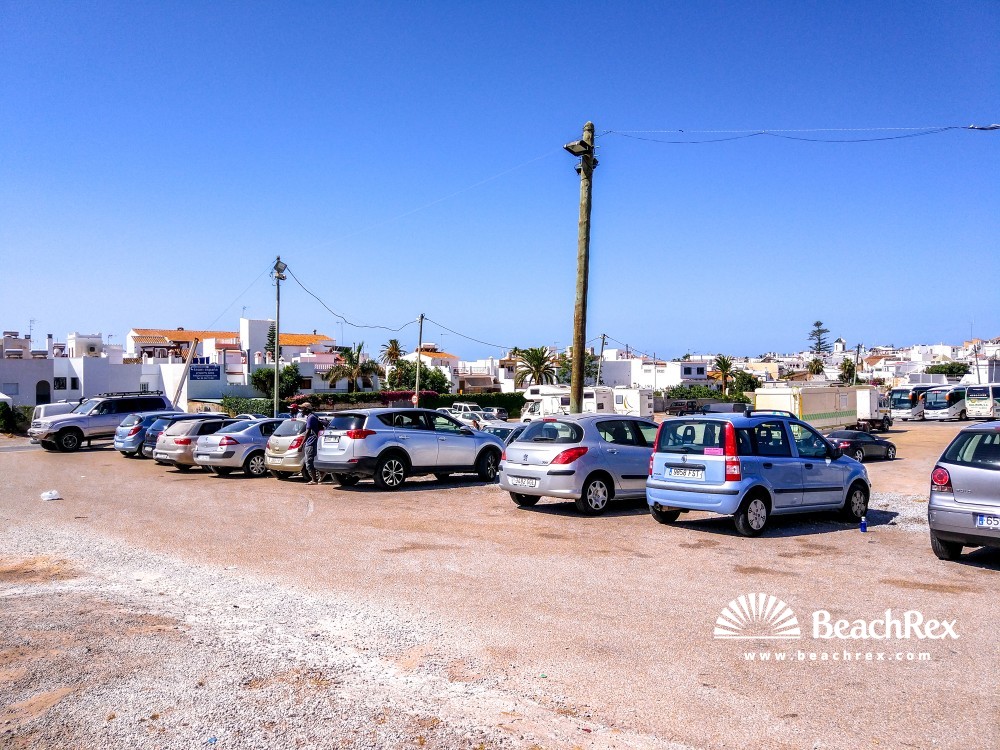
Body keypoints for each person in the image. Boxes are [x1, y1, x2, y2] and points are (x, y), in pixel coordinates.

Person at [300, 404, 322, 485]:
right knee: (312, 461)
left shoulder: (311, 418)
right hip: (312, 442)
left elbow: (308, 432)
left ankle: (314, 480)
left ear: (306, 409)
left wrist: (301, 444)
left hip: (311, 442)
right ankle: (320, 474)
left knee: (309, 462)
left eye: (302, 408)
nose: (301, 410)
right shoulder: (313, 416)